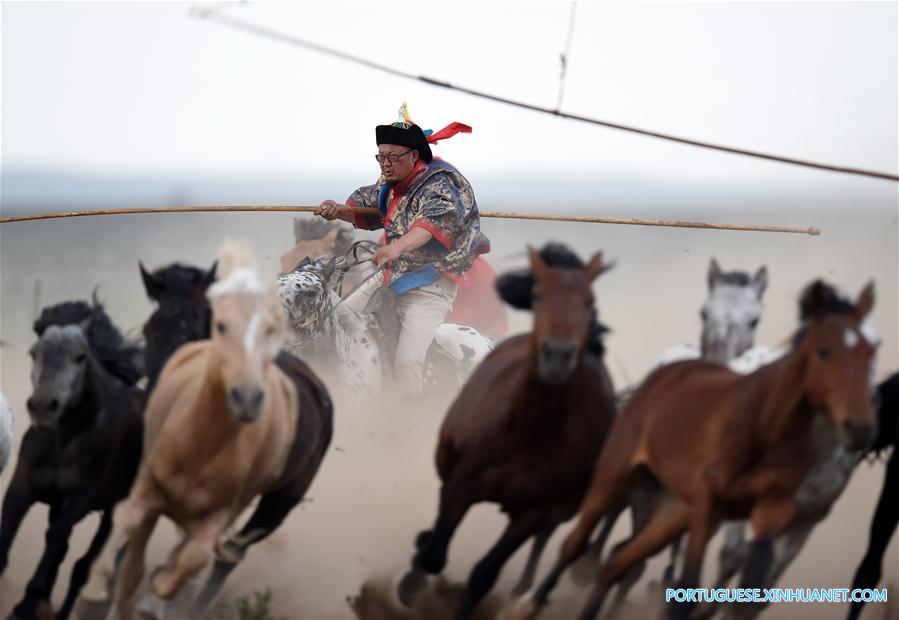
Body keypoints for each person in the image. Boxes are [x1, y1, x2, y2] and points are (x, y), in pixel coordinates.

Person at [316, 104, 488, 397]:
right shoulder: (390, 184)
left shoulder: (442, 185)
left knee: (408, 360)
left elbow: (428, 226)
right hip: (390, 276)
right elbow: (365, 208)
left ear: (414, 156)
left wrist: (396, 247)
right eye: (381, 156)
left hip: (431, 283)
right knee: (336, 322)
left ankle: (408, 419)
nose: (385, 163)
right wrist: (337, 212)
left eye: (393, 157)